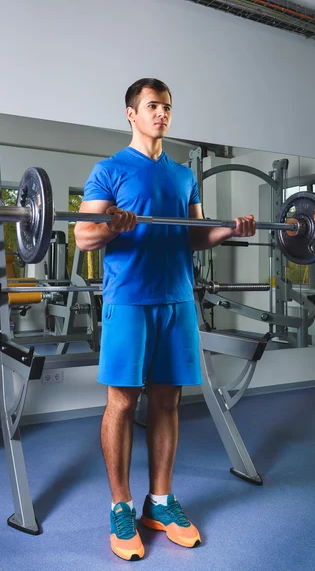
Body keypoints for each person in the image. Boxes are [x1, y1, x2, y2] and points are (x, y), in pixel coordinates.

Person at [74, 78, 256, 561]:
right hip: (129, 301)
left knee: (168, 403)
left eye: (167, 107)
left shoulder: (182, 176)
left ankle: (160, 502)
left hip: (177, 299)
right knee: (120, 403)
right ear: (131, 113)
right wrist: (111, 224)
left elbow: (193, 236)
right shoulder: (109, 170)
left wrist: (226, 231)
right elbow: (82, 237)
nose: (162, 114)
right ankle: (121, 506)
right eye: (152, 106)